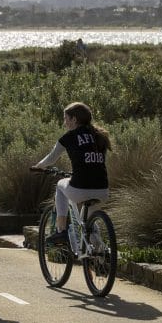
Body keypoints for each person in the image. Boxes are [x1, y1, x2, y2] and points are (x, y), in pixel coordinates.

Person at [31, 102, 110, 245]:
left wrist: (38, 166)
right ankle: (99, 252)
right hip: (103, 190)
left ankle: (60, 231)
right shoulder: (100, 136)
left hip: (80, 189)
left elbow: (51, 158)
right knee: (87, 222)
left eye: (66, 118)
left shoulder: (69, 137)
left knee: (60, 186)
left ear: (74, 120)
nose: (64, 122)